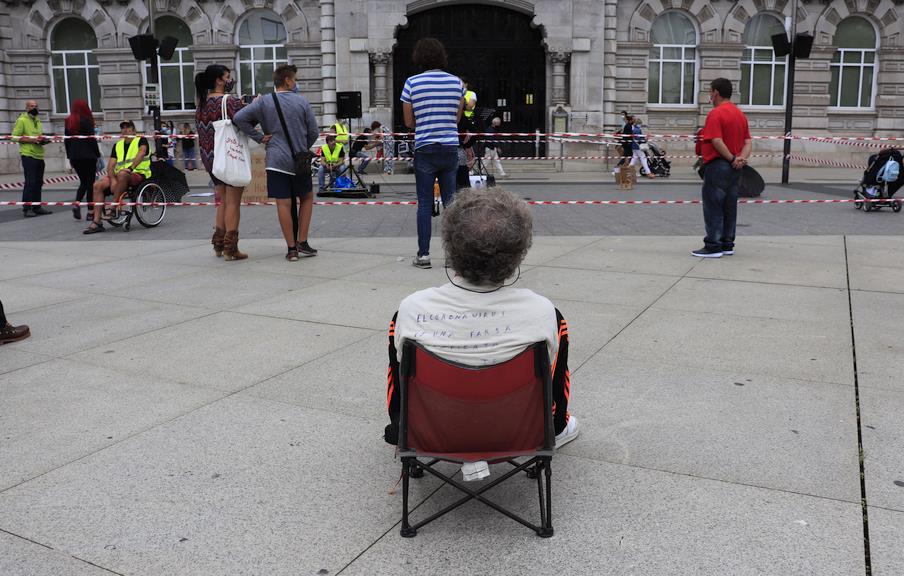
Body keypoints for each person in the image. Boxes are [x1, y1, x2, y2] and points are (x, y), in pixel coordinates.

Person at [383, 187, 579, 448]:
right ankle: (557, 426)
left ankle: (403, 428)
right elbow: (556, 380)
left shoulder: (410, 309)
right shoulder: (544, 312)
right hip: (518, 431)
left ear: (450, 245)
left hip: (431, 430)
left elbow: (397, 380)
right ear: (519, 250)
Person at [234, 63, 320, 262]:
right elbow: (314, 131)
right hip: (299, 161)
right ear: (288, 81)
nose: (296, 83)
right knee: (306, 197)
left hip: (275, 159)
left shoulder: (264, 102)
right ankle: (303, 241)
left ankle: (291, 249)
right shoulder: (302, 102)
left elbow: (239, 118)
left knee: (283, 203)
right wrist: (301, 146)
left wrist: (259, 137)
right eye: (295, 79)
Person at [400, 37, 465, 269]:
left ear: (419, 57)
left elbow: (408, 121)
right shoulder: (456, 83)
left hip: (425, 148)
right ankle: (452, 257)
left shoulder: (411, 83)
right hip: (449, 147)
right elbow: (457, 118)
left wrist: (424, 122)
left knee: (425, 204)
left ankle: (424, 255)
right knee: (451, 203)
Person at [693, 77, 752, 258]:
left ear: (716, 92)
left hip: (719, 165)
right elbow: (748, 142)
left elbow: (716, 141)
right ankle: (727, 243)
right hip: (735, 168)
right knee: (729, 205)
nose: (710, 95)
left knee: (714, 206)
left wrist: (732, 158)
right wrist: (741, 158)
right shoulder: (740, 114)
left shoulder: (716, 114)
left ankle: (713, 245)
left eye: (710, 91)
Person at [195, 64, 248, 260]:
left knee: (223, 201)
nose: (230, 80)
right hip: (229, 156)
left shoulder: (201, 103)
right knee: (234, 202)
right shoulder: (228, 101)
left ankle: (218, 243)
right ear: (219, 80)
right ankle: (231, 248)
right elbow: (245, 121)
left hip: (210, 158)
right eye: (227, 76)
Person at [82, 121, 149, 234]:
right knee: (97, 185)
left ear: (133, 130)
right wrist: (113, 180)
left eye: (128, 127)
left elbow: (141, 153)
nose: (125, 129)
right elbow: (110, 166)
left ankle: (113, 207)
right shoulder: (117, 145)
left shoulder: (141, 140)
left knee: (123, 174)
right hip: (119, 176)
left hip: (138, 173)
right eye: (122, 127)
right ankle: (97, 222)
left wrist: (131, 168)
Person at [12, 100, 51, 217]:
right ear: (27, 108)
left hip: (39, 154)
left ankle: (37, 206)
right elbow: (14, 137)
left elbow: (37, 136)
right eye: (32, 106)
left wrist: (42, 140)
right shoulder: (22, 120)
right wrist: (32, 140)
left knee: (38, 182)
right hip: (28, 154)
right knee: (30, 182)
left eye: (36, 106)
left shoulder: (37, 120)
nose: (34, 108)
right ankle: (27, 208)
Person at [64, 99, 101, 221]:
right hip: (88, 155)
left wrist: (70, 156)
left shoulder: (69, 121)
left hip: (75, 156)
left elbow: (67, 141)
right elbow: (91, 139)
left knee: (83, 181)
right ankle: (90, 211)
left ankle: (77, 202)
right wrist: (97, 154)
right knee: (90, 183)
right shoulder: (86, 120)